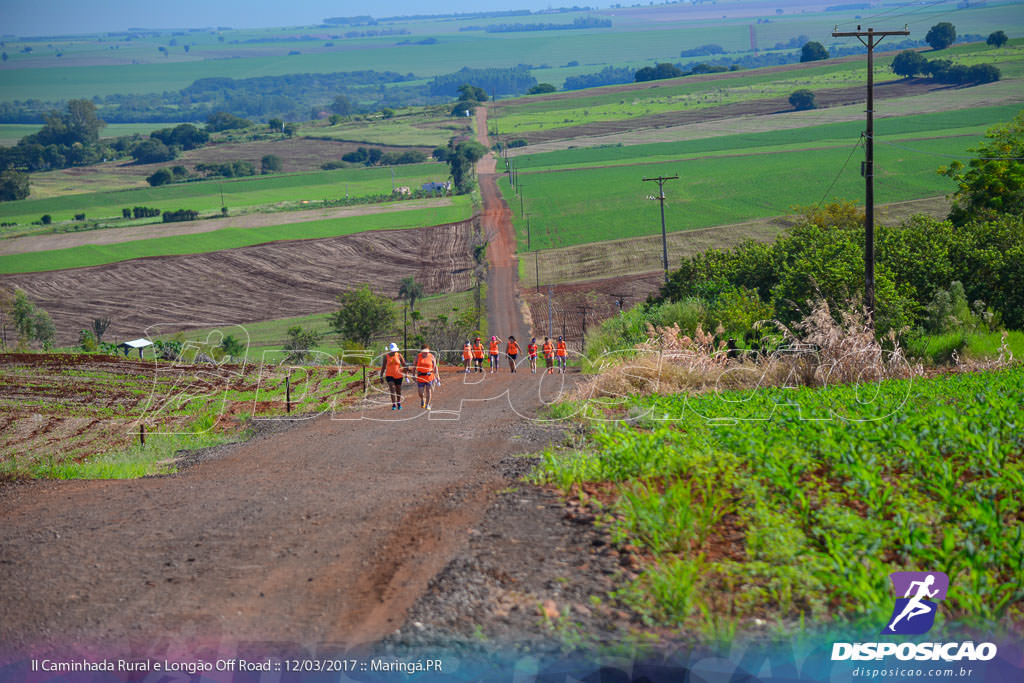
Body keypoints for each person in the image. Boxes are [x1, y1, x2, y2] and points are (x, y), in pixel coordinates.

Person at [378, 342, 406, 410]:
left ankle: (398, 403)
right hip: (389, 375)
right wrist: (381, 376)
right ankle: (393, 404)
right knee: (392, 388)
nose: (394, 351)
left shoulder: (399, 355)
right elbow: (383, 367)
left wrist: (406, 374)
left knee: (398, 390)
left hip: (399, 375)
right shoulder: (386, 356)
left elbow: (404, 365)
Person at [414, 343, 437, 410]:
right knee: (420, 392)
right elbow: (414, 366)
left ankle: (427, 405)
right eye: (424, 352)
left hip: (429, 376)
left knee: (428, 391)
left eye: (427, 352)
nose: (425, 353)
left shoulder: (431, 356)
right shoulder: (418, 356)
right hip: (420, 377)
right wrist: (413, 375)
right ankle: (422, 399)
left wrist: (437, 376)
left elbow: (435, 367)